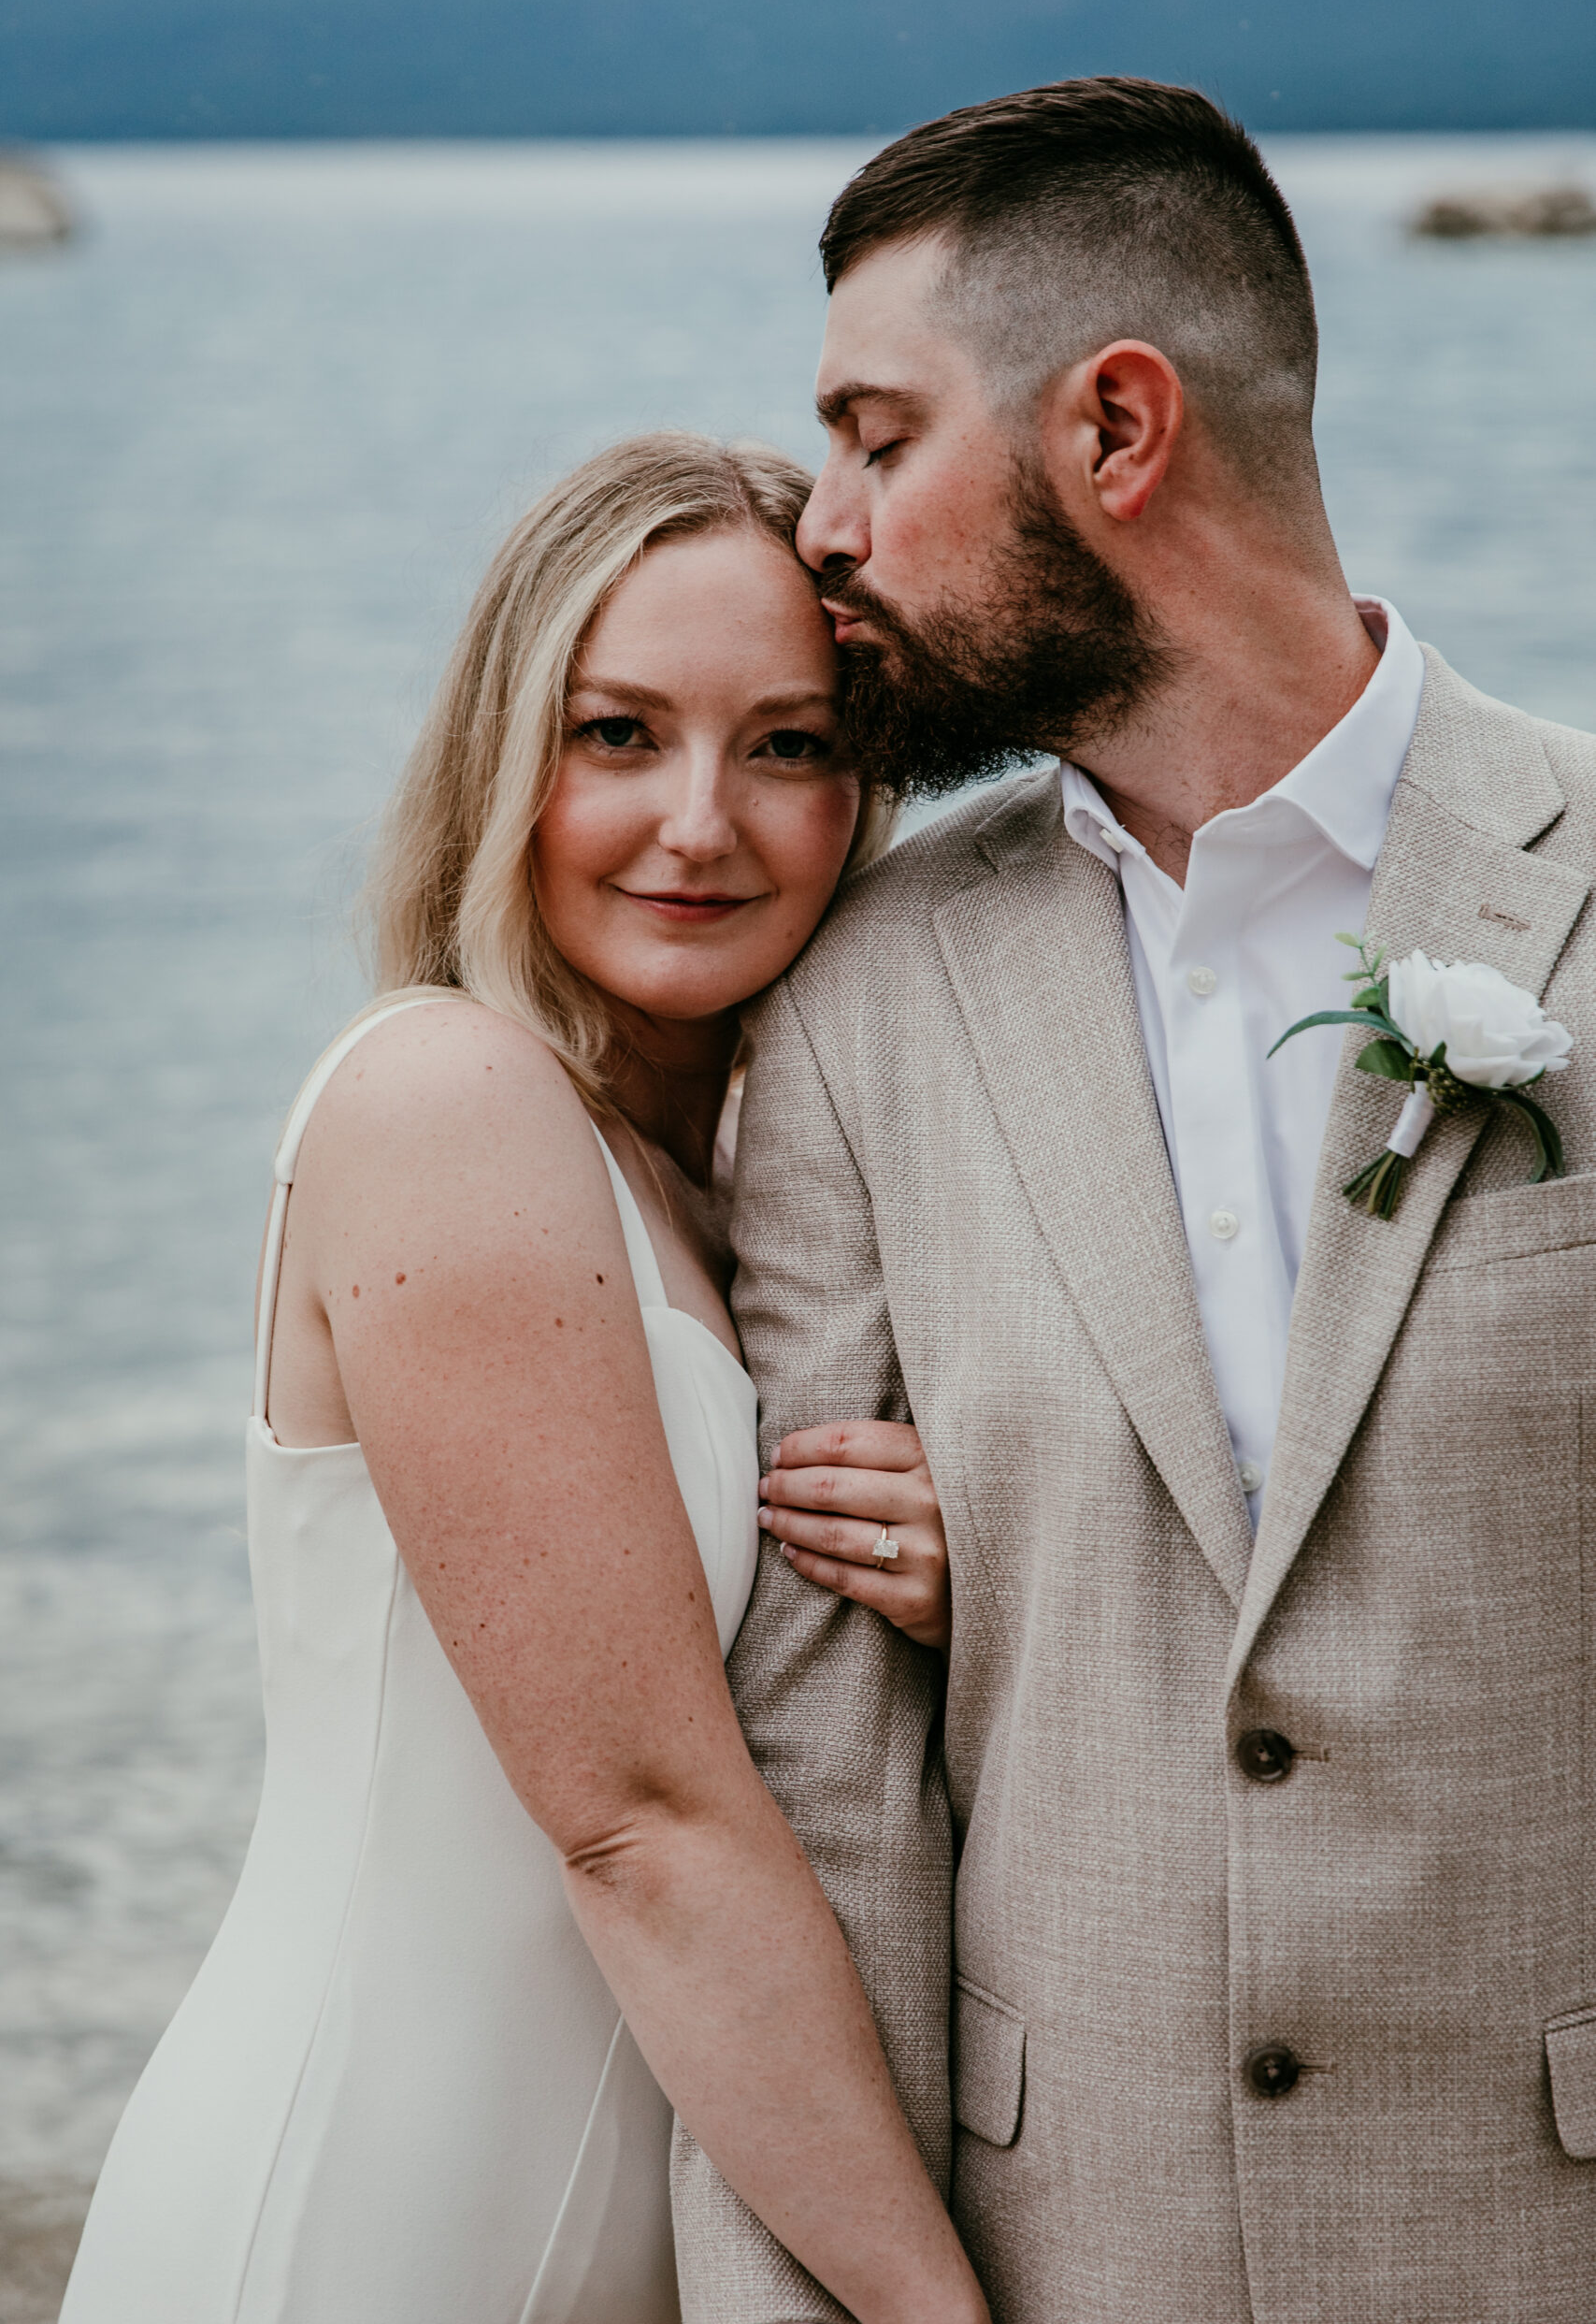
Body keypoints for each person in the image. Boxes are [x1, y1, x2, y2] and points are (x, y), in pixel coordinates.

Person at [672, 79, 1596, 2323]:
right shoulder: (862, 990)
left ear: (1113, 428)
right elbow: (823, 1761)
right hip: (1064, 2247)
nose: (821, 529)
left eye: (876, 437)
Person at [61, 433, 987, 2324]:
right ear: (502, 757)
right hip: (366, 2221)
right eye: (616, 733)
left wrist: (970, 1570)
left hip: (638, 2233)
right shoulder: (449, 1101)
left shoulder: (720, 1192)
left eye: (788, 745)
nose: (700, 824)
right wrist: (930, 2304)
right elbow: (639, 1819)